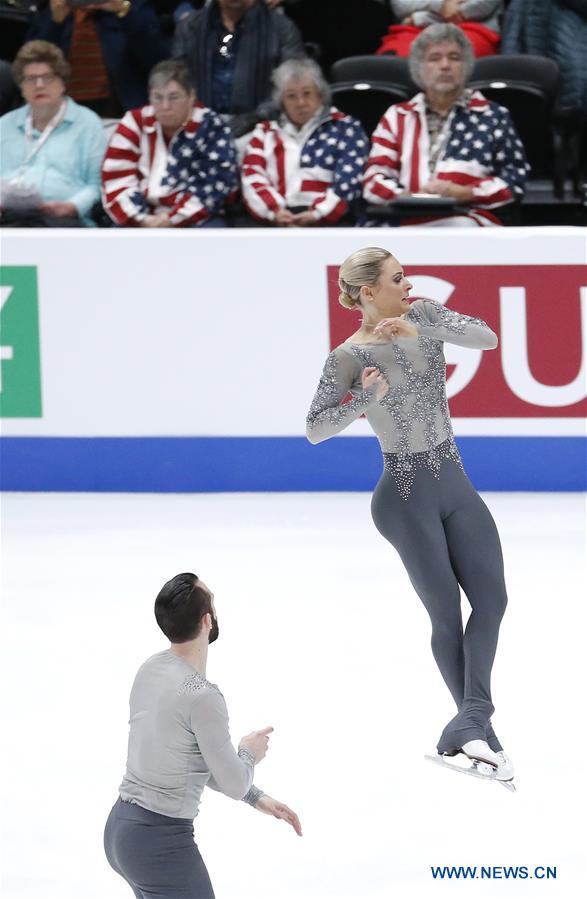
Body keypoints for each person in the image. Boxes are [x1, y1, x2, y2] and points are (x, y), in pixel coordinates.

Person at [306, 246, 514, 785]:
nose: (409, 284)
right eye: (397, 279)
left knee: (492, 599)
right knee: (446, 613)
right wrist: (363, 397)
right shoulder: (348, 355)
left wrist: (423, 334)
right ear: (368, 291)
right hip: (403, 495)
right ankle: (478, 733)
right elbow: (315, 427)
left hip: (453, 478)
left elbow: (487, 337)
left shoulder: (423, 316)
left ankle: (470, 719)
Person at [104, 571, 302, 899]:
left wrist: (257, 798)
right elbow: (234, 779)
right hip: (160, 842)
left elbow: (187, 760)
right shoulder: (202, 695)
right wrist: (248, 752)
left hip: (121, 832)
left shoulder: (150, 668)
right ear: (207, 620)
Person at [363, 23, 529, 226]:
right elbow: (373, 179)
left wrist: (468, 193)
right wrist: (410, 198)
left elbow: (514, 182)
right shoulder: (397, 115)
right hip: (403, 219)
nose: (445, 65)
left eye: (454, 57)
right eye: (434, 58)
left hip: (467, 218)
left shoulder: (493, 115)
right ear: (418, 68)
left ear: (466, 66)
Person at [102, 59, 238, 226]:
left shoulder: (211, 126)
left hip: (197, 220)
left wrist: (172, 219)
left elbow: (213, 187)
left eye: (174, 97)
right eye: (158, 98)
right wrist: (141, 219)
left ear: (191, 96)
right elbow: (115, 180)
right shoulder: (134, 122)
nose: (165, 106)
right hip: (140, 219)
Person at [241, 58, 368, 226]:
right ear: (281, 102)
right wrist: (274, 212)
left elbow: (349, 180)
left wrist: (317, 213)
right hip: (275, 223)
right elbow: (252, 177)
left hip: (330, 224)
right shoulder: (264, 133)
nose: (300, 103)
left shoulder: (346, 128)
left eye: (307, 93)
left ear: (321, 94)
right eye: (291, 96)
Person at [0, 40, 106, 226]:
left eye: (47, 77)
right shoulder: (5, 125)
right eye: (30, 79)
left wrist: (73, 206)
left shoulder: (88, 124)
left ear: (62, 83)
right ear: (22, 87)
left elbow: (97, 184)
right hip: (9, 216)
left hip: (64, 219)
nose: (39, 85)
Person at [173, 0, 304, 137]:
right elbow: (178, 81)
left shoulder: (282, 28)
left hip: (263, 132)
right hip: (199, 129)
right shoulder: (190, 27)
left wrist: (254, 118)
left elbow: (292, 86)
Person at [27, 0, 169, 115]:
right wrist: (55, 23)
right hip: (61, 110)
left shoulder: (132, 6)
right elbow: (31, 66)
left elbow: (157, 61)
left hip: (120, 109)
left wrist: (124, 12)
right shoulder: (49, 8)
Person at [377, 0, 502, 58]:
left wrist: (421, 18)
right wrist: (441, 5)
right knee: (389, 64)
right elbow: (401, 5)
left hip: (472, 27)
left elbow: (484, 5)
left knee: (455, 59)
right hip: (414, 30)